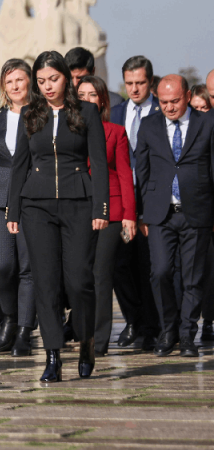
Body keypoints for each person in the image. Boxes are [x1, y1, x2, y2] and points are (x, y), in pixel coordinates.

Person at [7, 51, 109, 383]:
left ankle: (86, 343)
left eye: (53, 79)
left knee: (79, 280)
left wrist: (101, 208)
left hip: (79, 201)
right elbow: (19, 164)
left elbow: (100, 163)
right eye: (41, 81)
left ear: (67, 77)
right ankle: (52, 355)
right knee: (46, 281)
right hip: (36, 205)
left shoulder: (87, 112)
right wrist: (13, 209)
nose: (48, 86)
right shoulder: (29, 113)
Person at [136, 75, 214, 357]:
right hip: (160, 213)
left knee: (193, 278)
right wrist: (142, 211)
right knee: (160, 271)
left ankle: (187, 335)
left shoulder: (208, 122)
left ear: (188, 95)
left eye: (175, 101)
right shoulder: (149, 125)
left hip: (197, 210)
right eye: (163, 101)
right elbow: (142, 171)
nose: (169, 107)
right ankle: (167, 330)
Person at [0, 59, 37, 356]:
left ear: (29, 81)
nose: (15, 87)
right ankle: (10, 318)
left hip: (32, 195)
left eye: (19, 80)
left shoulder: (41, 114)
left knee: (29, 266)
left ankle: (25, 329)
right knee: (1, 265)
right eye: (9, 82)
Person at [76, 75, 135, 357]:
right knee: (79, 274)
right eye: (81, 94)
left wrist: (130, 216)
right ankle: (79, 330)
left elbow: (125, 175)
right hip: (76, 208)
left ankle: (98, 342)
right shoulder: (68, 131)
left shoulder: (115, 132)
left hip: (112, 212)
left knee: (101, 274)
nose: (86, 99)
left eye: (92, 94)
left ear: (102, 100)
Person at [108, 56, 161, 350]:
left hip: (152, 200)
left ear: (150, 82)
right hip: (122, 201)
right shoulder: (116, 113)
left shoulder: (161, 111)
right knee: (120, 264)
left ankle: (152, 327)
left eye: (140, 83)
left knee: (149, 265)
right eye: (129, 83)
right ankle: (134, 319)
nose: (135, 89)